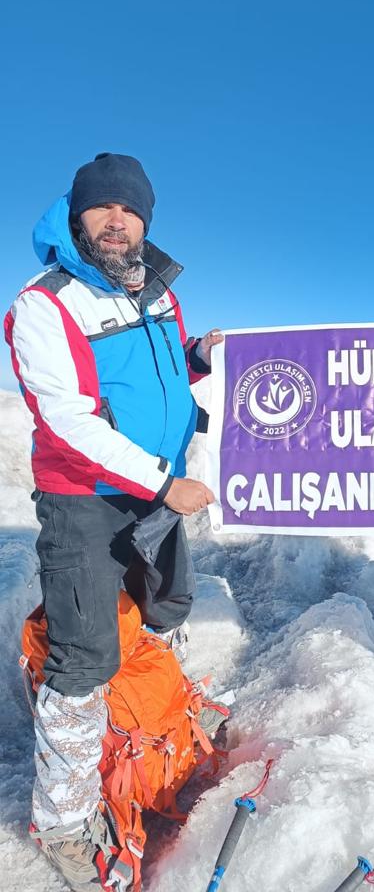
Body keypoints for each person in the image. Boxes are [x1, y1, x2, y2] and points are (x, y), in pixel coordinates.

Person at [5, 153, 223, 891]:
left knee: (162, 610)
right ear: (78, 216)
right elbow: (66, 419)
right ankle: (62, 823)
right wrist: (167, 482)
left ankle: (155, 719)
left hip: (154, 494)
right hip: (85, 498)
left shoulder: (154, 289)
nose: (117, 221)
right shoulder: (45, 304)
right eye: (103, 209)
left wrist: (196, 357)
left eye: (129, 210)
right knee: (84, 660)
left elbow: (149, 374)